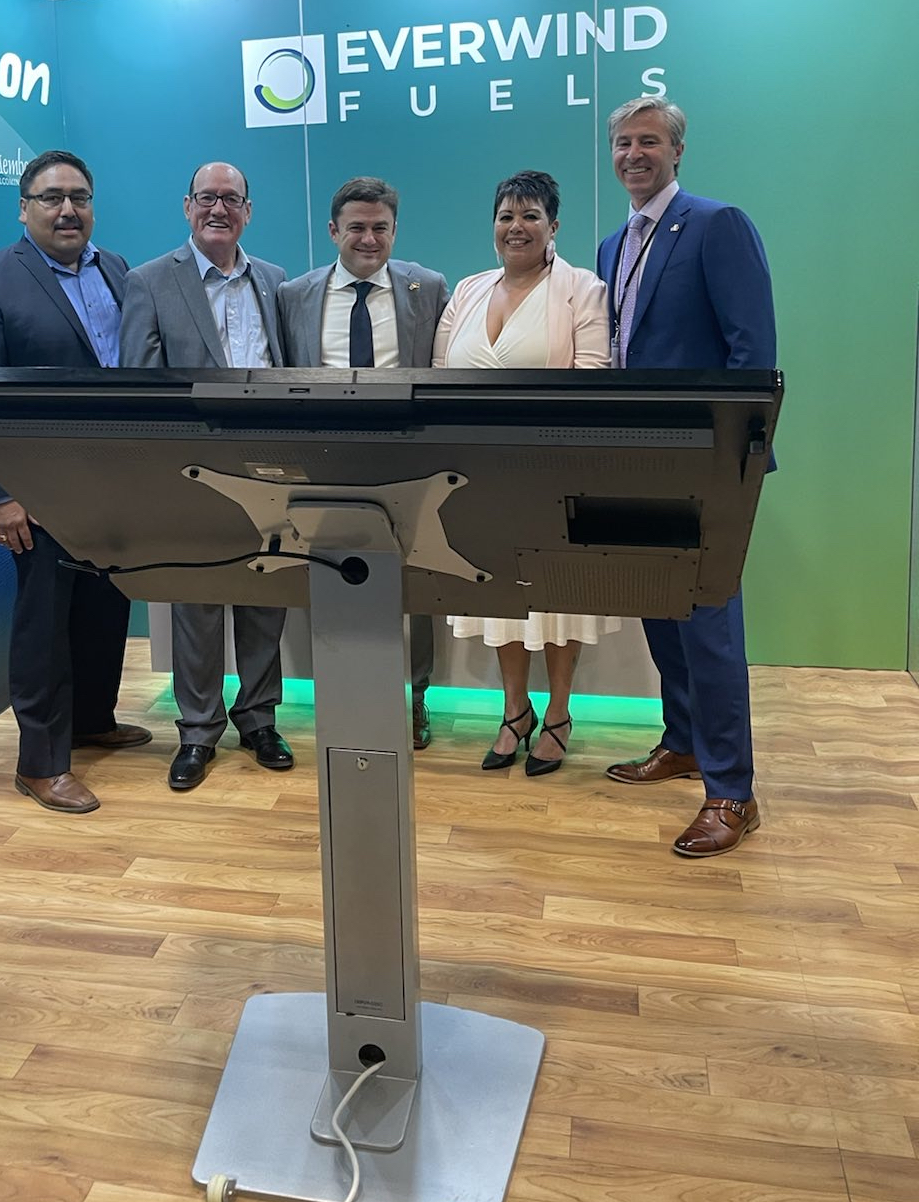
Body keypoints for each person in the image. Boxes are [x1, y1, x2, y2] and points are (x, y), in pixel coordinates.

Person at [0, 149, 151, 816]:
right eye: (52, 198)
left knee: (104, 607)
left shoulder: (116, 269)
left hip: (113, 478)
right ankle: (40, 762)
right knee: (44, 624)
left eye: (80, 197)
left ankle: (92, 718)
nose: (68, 210)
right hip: (36, 488)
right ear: (24, 208)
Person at [599, 96, 776, 857]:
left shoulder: (716, 224)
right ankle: (684, 742)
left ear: (677, 152)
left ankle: (733, 792)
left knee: (707, 622)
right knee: (657, 607)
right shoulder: (613, 245)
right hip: (635, 462)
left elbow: (753, 354)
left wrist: (739, 464)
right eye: (622, 143)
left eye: (648, 141)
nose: (633, 154)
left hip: (706, 467)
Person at [433, 170, 618, 775]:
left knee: (557, 598)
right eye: (506, 216)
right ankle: (515, 711)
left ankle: (560, 713)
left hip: (553, 471)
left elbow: (592, 378)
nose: (517, 227)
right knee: (499, 598)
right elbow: (438, 378)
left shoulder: (581, 289)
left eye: (530, 216)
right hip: (477, 475)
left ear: (553, 226)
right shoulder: (467, 289)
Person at [120, 162, 292, 791]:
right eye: (208, 198)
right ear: (187, 206)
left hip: (270, 469)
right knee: (195, 602)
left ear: (248, 210)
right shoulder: (148, 282)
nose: (219, 209)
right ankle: (197, 730)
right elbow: (138, 385)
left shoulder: (275, 282)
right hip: (191, 474)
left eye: (232, 199)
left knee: (265, 598)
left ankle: (259, 718)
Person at [277, 176, 450, 749]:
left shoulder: (428, 288)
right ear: (333, 231)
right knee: (327, 571)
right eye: (357, 227)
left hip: (405, 457)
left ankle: (416, 694)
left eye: (380, 228)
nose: (369, 239)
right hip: (322, 459)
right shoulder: (295, 295)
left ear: (394, 230)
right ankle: (341, 690)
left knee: (414, 577)